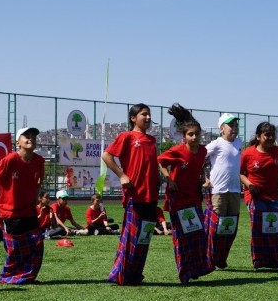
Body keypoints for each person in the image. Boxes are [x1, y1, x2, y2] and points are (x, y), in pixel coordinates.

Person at [103, 103, 161, 285]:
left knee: (144, 238)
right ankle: (121, 275)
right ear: (133, 118)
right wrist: (122, 175)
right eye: (144, 114)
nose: (148, 117)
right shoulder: (126, 136)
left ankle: (135, 275)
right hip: (135, 195)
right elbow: (106, 156)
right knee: (131, 237)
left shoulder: (152, 140)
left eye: (149, 114)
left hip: (151, 196)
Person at [157, 103, 215, 283]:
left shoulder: (203, 150)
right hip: (178, 199)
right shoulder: (177, 150)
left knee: (198, 234)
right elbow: (160, 161)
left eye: (197, 134)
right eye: (191, 134)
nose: (195, 137)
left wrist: (203, 179)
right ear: (184, 136)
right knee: (182, 237)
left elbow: (199, 168)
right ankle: (185, 272)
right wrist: (169, 179)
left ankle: (198, 267)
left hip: (194, 198)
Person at [0, 127, 46, 284]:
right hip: (10, 212)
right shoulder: (10, 160)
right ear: (18, 142)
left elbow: (39, 179)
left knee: (37, 243)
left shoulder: (39, 161)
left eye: (33, 137)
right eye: (26, 137)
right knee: (15, 248)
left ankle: (27, 276)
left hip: (28, 210)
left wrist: (36, 196)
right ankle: (6, 277)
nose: (31, 139)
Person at [240, 122, 278, 269]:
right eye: (267, 134)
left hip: (275, 196)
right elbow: (241, 173)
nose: (270, 137)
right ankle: (259, 260)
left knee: (274, 229)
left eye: (272, 135)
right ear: (258, 136)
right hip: (256, 197)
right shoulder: (247, 153)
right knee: (258, 229)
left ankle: (274, 259)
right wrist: (250, 185)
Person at [203, 113, 242, 269]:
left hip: (235, 192)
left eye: (235, 125)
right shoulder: (216, 144)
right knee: (216, 228)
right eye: (230, 125)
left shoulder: (239, 143)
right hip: (218, 192)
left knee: (230, 228)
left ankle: (221, 258)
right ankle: (209, 258)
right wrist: (204, 179)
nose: (234, 128)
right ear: (221, 128)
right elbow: (199, 159)